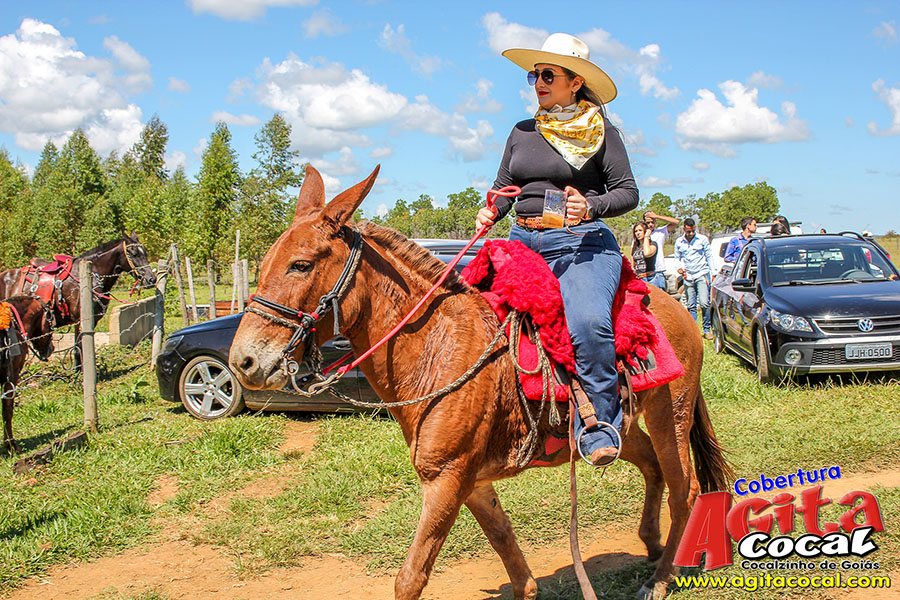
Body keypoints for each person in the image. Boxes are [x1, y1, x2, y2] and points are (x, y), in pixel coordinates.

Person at [476, 33, 638, 466]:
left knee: (587, 323)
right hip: (522, 241)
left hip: (581, 244)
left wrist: (592, 205)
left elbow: (628, 193)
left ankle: (602, 422)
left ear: (576, 81)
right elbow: (503, 188)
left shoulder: (603, 132)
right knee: (470, 319)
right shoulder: (521, 131)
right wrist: (491, 209)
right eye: (534, 75)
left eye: (548, 74)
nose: (538, 82)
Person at [673, 218, 714, 339]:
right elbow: (677, 257)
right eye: (688, 231)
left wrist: (713, 272)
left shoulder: (702, 239)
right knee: (691, 305)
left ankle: (707, 329)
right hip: (688, 275)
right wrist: (679, 267)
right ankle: (694, 331)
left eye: (692, 231)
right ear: (684, 229)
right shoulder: (679, 242)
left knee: (704, 303)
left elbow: (709, 256)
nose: (691, 233)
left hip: (701, 273)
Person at [643, 211, 680, 275]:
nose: (650, 225)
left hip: (658, 270)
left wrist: (657, 216)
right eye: (648, 223)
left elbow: (676, 222)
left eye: (652, 222)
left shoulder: (660, 232)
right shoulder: (640, 234)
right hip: (644, 271)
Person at [631, 221, 665, 290]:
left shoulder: (653, 244)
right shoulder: (635, 247)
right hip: (639, 279)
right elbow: (632, 261)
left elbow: (647, 253)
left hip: (651, 279)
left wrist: (646, 237)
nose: (638, 233)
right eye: (636, 231)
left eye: (640, 230)